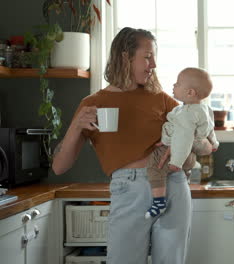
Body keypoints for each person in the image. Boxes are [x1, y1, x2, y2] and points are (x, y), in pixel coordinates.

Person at [52, 27, 212, 264]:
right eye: (147, 57)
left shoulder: (162, 99)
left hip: (173, 185)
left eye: (154, 57)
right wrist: (76, 126)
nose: (154, 64)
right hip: (128, 189)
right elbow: (59, 167)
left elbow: (207, 145)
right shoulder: (93, 103)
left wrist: (187, 144)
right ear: (125, 56)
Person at [145, 67, 219, 219]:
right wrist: (215, 143)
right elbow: (210, 128)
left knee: (155, 167)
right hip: (188, 153)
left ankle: (159, 202)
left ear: (190, 92)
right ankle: (184, 177)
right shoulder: (204, 109)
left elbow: (183, 138)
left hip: (178, 152)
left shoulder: (186, 114)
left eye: (177, 84)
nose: (173, 85)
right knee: (184, 175)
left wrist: (176, 162)